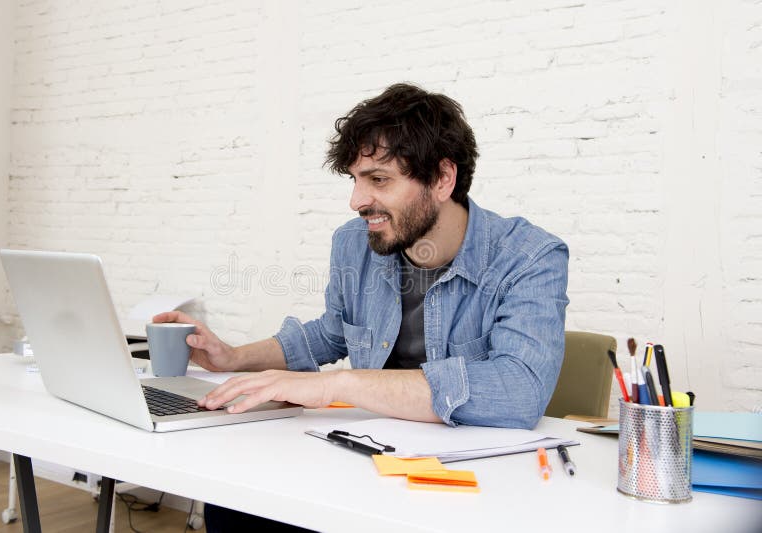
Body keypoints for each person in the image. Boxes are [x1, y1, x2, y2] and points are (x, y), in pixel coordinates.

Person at [155, 83, 569, 531]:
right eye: (355, 179)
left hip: (472, 488)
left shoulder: (530, 257)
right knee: (233, 501)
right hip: (371, 460)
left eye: (379, 180)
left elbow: (520, 391)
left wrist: (339, 386)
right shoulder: (356, 243)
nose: (356, 201)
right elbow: (332, 332)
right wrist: (235, 358)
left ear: (443, 179)